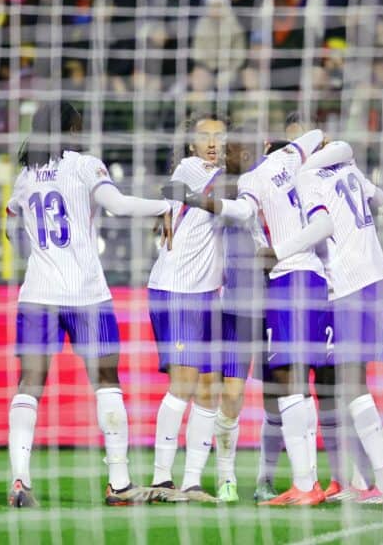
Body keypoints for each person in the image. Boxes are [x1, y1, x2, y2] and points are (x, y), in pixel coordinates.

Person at [5, 100, 174, 507]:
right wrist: (166, 205)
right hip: (86, 294)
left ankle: (19, 481)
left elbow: (11, 224)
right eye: (77, 127)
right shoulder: (85, 165)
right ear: (69, 130)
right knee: (106, 381)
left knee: (30, 383)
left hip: (38, 293)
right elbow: (117, 206)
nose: (80, 134)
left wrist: (34, 246)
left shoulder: (26, 176)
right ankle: (118, 483)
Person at [172, 129, 350, 506]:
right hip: (251, 302)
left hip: (284, 285)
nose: (229, 154)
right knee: (274, 390)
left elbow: (245, 210)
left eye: (236, 147)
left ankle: (304, 483)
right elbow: (317, 135)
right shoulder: (267, 168)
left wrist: (199, 203)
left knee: (291, 387)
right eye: (228, 150)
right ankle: (236, 478)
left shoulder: (260, 174)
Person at [268, 136, 383, 504]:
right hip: (378, 275)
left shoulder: (306, 176)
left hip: (351, 282)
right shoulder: (347, 168)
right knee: (346, 385)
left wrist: (278, 251)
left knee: (350, 384)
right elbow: (380, 198)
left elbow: (324, 226)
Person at [149, 112, 229, 503]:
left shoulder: (220, 175)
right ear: (191, 144)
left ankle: (193, 480)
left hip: (208, 293)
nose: (213, 143)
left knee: (210, 387)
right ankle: (162, 477)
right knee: (183, 384)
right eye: (205, 136)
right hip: (177, 290)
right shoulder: (192, 169)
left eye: (220, 135)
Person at [211, 135, 269, 503]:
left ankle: (268, 479)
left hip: (272, 303)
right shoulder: (217, 187)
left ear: (245, 154)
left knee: (283, 396)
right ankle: (226, 476)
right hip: (233, 307)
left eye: (228, 149)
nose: (221, 154)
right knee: (231, 394)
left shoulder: (263, 184)